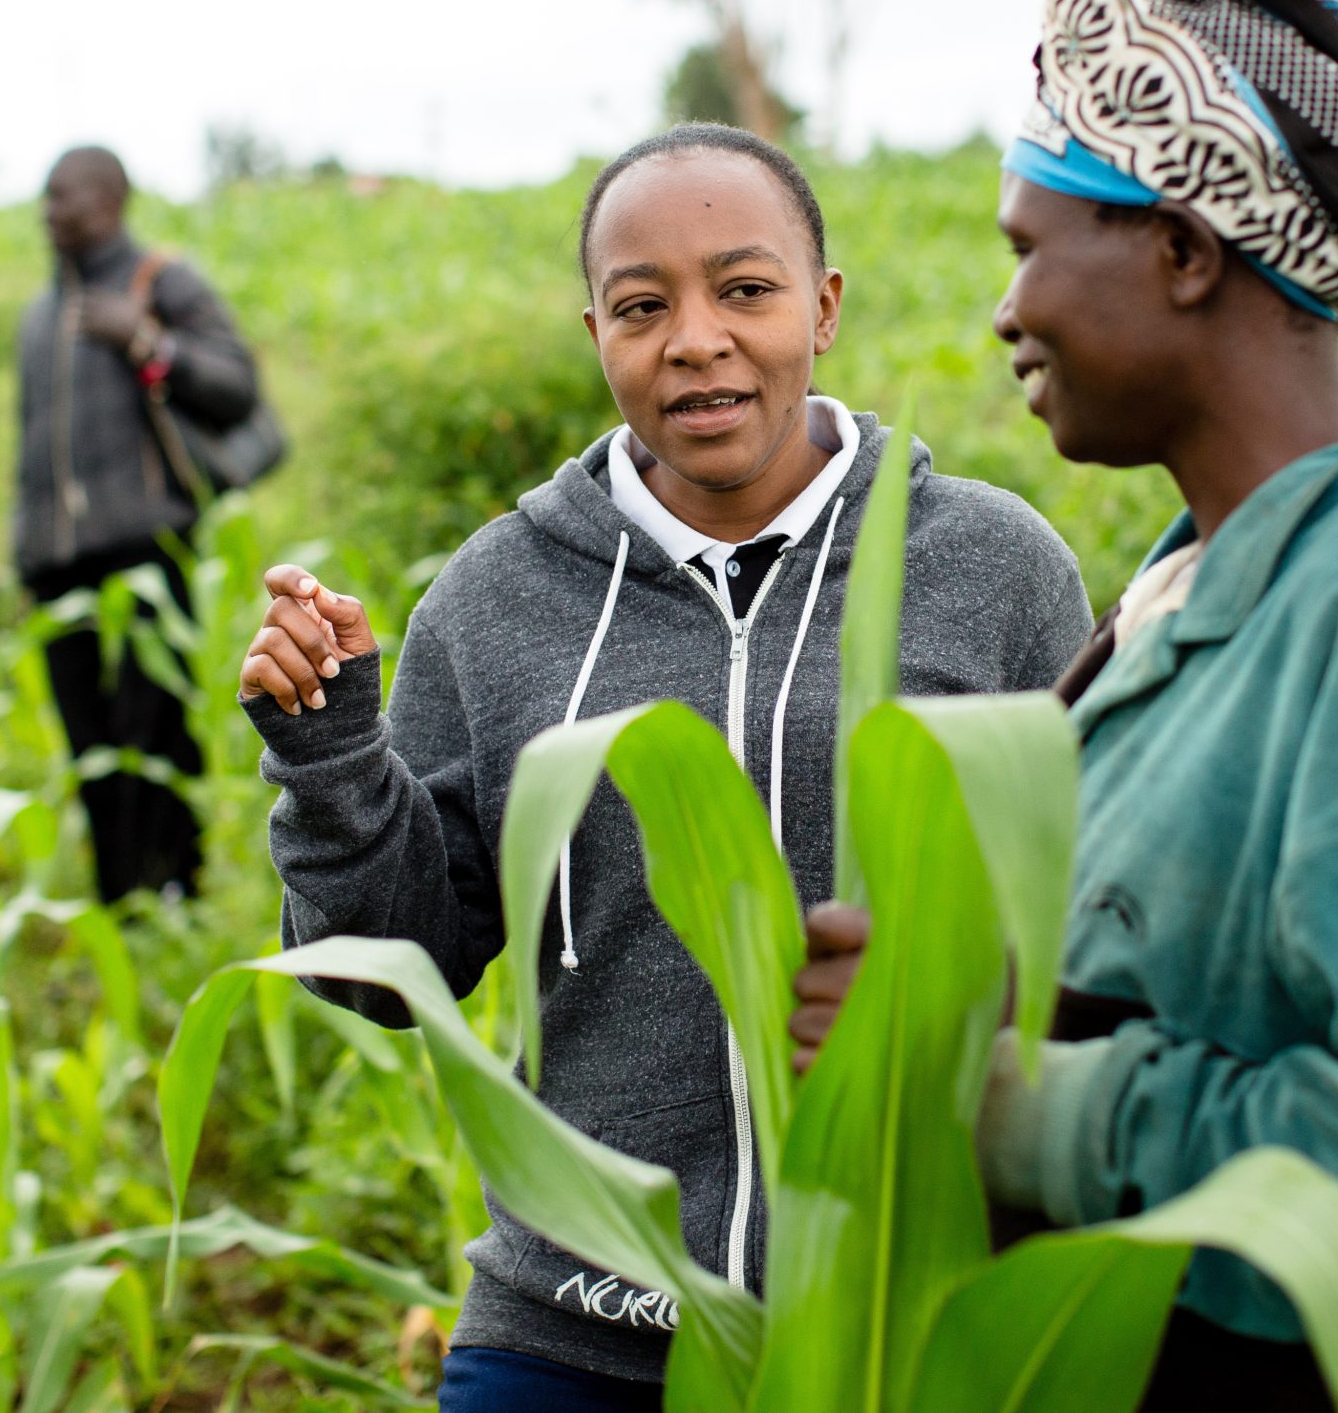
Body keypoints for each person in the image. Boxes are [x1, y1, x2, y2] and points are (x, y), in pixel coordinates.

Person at [791, 0, 1338, 1412]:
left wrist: (1018, 1105)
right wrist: (933, 999)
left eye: (1031, 247)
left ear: (1182, 249)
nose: (1006, 310)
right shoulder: (1192, 594)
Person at [236, 124, 1093, 1412]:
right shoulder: (495, 596)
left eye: (744, 289)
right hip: (569, 1329)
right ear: (596, 334)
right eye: (643, 306)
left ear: (825, 304)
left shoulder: (993, 569)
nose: (695, 337)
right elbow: (392, 975)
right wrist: (334, 754)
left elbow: (1085, 925)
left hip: (900, 1325)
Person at [15, 145, 259, 902]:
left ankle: (177, 892)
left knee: (156, 733)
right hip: (57, 566)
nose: (48, 212)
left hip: (145, 552)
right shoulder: (41, 313)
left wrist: (147, 340)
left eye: (63, 198)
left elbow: (237, 387)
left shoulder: (160, 283)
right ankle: (119, 901)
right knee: (89, 743)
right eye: (47, 199)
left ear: (109, 202)